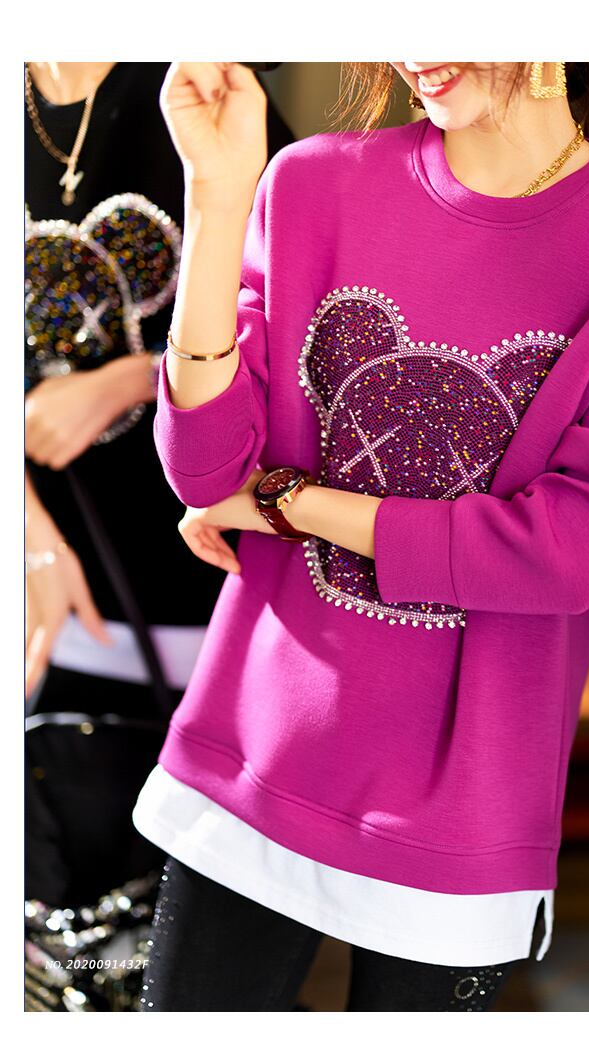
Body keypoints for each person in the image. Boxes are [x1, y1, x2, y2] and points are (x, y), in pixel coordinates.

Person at [131, 61, 589, 1011]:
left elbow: (566, 551)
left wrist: (288, 501)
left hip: (467, 804)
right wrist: (216, 192)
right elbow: (205, 470)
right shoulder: (311, 180)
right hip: (253, 752)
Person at [24, 61, 294, 904]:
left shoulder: (198, 93)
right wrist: (26, 534)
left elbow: (293, 325)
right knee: (62, 922)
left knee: (192, 920)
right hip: (50, 604)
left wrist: (133, 378)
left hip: (207, 583)